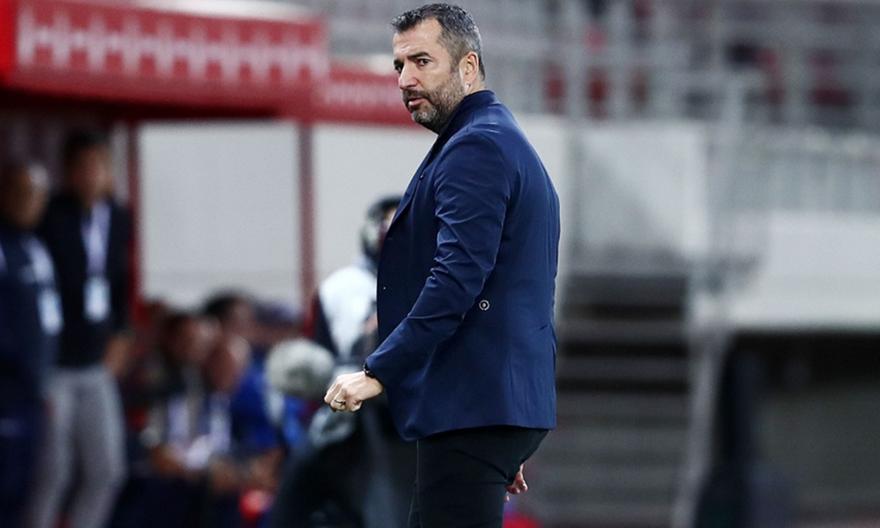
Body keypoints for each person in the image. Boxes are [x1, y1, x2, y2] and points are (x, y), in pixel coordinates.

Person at [323, 4, 560, 528]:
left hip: (474, 403)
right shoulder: (494, 137)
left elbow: (456, 280)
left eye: (422, 61)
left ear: (468, 66)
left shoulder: (476, 147)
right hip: (487, 404)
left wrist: (378, 371)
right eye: (399, 65)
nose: (405, 80)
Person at [272, 196, 414, 528]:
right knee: (296, 493)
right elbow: (327, 351)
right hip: (349, 415)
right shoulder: (341, 287)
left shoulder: (434, 282)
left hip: (411, 416)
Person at [27, 129, 132, 528]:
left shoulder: (117, 217)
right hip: (57, 364)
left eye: (99, 167)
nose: (92, 176)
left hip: (97, 361)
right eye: (83, 167)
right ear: (68, 172)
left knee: (108, 468)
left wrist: (122, 334)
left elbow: (120, 284)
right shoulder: (50, 217)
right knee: (54, 470)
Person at [0, 161, 60, 528]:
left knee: (27, 485)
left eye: (36, 195)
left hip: (34, 392)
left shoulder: (37, 247)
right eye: (20, 193)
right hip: (7, 389)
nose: (28, 202)